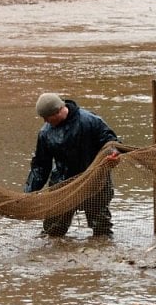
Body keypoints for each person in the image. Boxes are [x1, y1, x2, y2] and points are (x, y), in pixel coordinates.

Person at [26, 93, 120, 237]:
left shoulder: (91, 121)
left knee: (102, 230)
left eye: (46, 117)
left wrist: (114, 153)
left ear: (58, 111)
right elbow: (40, 166)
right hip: (62, 185)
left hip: (95, 182)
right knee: (52, 232)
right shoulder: (45, 132)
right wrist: (29, 192)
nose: (44, 120)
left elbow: (111, 142)